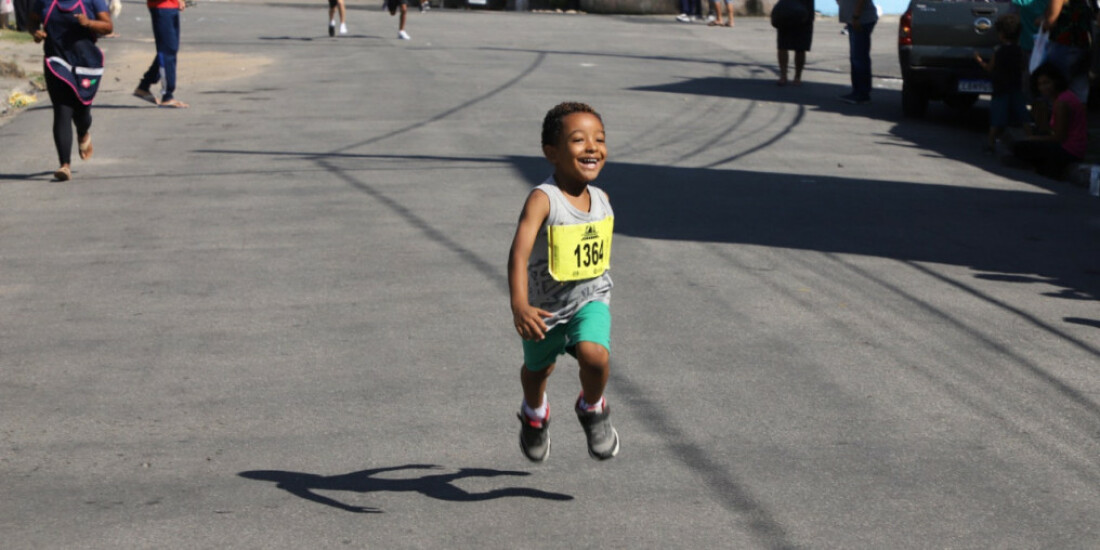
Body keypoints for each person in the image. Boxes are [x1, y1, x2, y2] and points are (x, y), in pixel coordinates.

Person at [508, 102, 620, 463]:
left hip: (591, 299)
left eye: (599, 139)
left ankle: (593, 407)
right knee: (538, 370)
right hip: (544, 309)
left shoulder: (602, 199)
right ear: (551, 153)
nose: (592, 147)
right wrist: (520, 305)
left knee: (595, 355)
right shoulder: (544, 199)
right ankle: (535, 414)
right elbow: (519, 254)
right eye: (578, 140)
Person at [27, 0, 112, 181]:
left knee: (82, 111)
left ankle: (83, 132)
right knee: (62, 110)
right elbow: (32, 20)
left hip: (86, 62)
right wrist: (36, 32)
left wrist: (89, 23)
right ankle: (64, 165)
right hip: (56, 60)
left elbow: (108, 26)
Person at [1012, 62, 1088, 179]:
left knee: (1020, 146)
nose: (1043, 87)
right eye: (1040, 84)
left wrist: (1033, 139)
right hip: (1070, 147)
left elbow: (1059, 137)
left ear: (1056, 81)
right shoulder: (1060, 99)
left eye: (1047, 83)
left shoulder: (1062, 103)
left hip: (1070, 150)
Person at [974, 14, 1029, 151]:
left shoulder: (998, 51)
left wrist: (979, 60)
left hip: (1000, 88)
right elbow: (1023, 67)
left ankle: (991, 143)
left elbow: (989, 68)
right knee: (1023, 116)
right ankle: (1030, 139)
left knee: (997, 119)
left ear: (1001, 34)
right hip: (1016, 87)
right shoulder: (1019, 50)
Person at [132, 0, 187, 108]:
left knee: (169, 50)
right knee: (167, 51)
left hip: (170, 6)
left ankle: (144, 86)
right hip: (162, 6)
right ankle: (167, 95)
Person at [1041, 0, 1093, 101]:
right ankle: (1079, 116)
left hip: (1064, 46)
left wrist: (1041, 22)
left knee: (1057, 90)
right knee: (1079, 93)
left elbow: (1051, 20)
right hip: (1083, 45)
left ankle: (1060, 116)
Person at [836, 0, 877, 104]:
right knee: (856, 57)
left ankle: (862, 93)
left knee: (859, 57)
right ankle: (857, 91)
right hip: (854, 20)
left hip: (861, 20)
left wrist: (856, 16)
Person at [775, 0, 813, 86]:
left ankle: (797, 77)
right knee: (783, 45)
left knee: (800, 46)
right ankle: (783, 75)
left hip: (805, 9)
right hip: (786, 9)